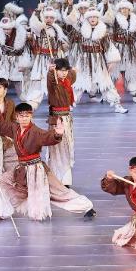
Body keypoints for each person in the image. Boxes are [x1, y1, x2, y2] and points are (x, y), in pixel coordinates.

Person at [0, 102, 96, 222]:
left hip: (37, 170)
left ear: (31, 116)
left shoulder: (36, 131)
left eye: (27, 115)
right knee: (1, 182)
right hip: (21, 169)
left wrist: (57, 134)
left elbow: (48, 137)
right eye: (21, 116)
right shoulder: (14, 128)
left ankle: (87, 206)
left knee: (59, 192)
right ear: (17, 117)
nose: (24, 118)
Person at [46, 59, 78, 187]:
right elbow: (51, 80)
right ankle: (56, 178)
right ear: (56, 71)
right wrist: (51, 71)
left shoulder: (67, 80)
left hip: (67, 118)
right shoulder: (53, 83)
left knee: (67, 148)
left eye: (66, 71)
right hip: (57, 120)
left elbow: (72, 75)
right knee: (57, 148)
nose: (64, 73)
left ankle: (65, 179)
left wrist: (73, 70)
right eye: (61, 71)